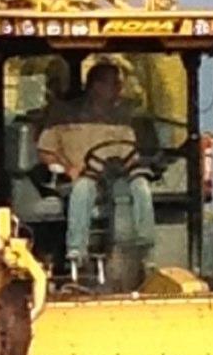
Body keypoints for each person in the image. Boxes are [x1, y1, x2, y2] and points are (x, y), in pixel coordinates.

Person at [37, 61, 155, 272]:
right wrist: (67, 168)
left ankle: (144, 247)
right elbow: (45, 151)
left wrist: (134, 167)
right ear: (96, 86)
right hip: (79, 177)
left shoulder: (123, 118)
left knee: (141, 187)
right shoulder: (64, 115)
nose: (119, 88)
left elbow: (130, 152)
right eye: (114, 84)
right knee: (84, 188)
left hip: (116, 177)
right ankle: (76, 252)